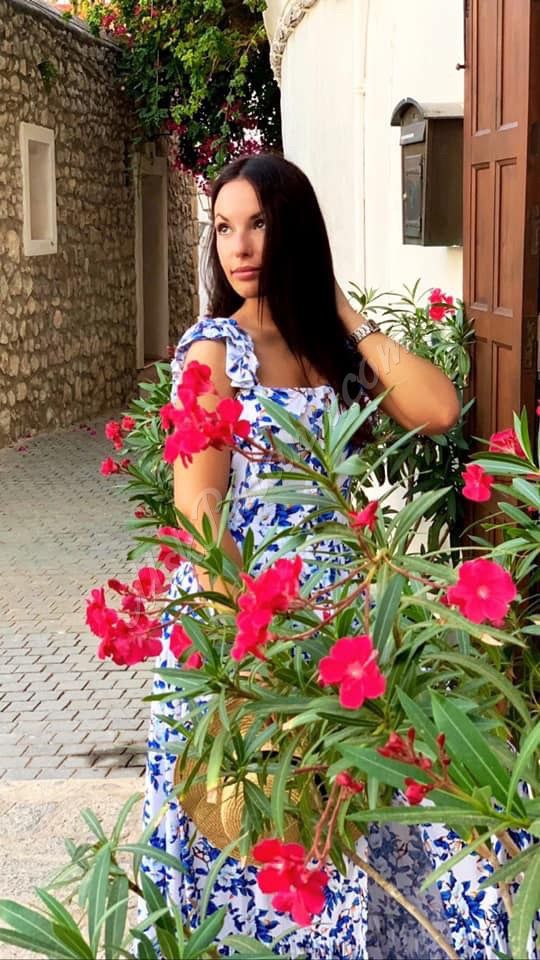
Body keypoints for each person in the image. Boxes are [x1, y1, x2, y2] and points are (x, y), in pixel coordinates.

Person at [140, 152, 478, 958]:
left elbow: (438, 408)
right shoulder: (214, 349)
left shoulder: (328, 353)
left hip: (340, 628)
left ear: (296, 230)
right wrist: (257, 657)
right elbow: (200, 512)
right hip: (249, 628)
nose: (239, 246)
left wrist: (340, 309)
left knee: (350, 829)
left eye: (259, 223)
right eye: (224, 227)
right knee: (254, 842)